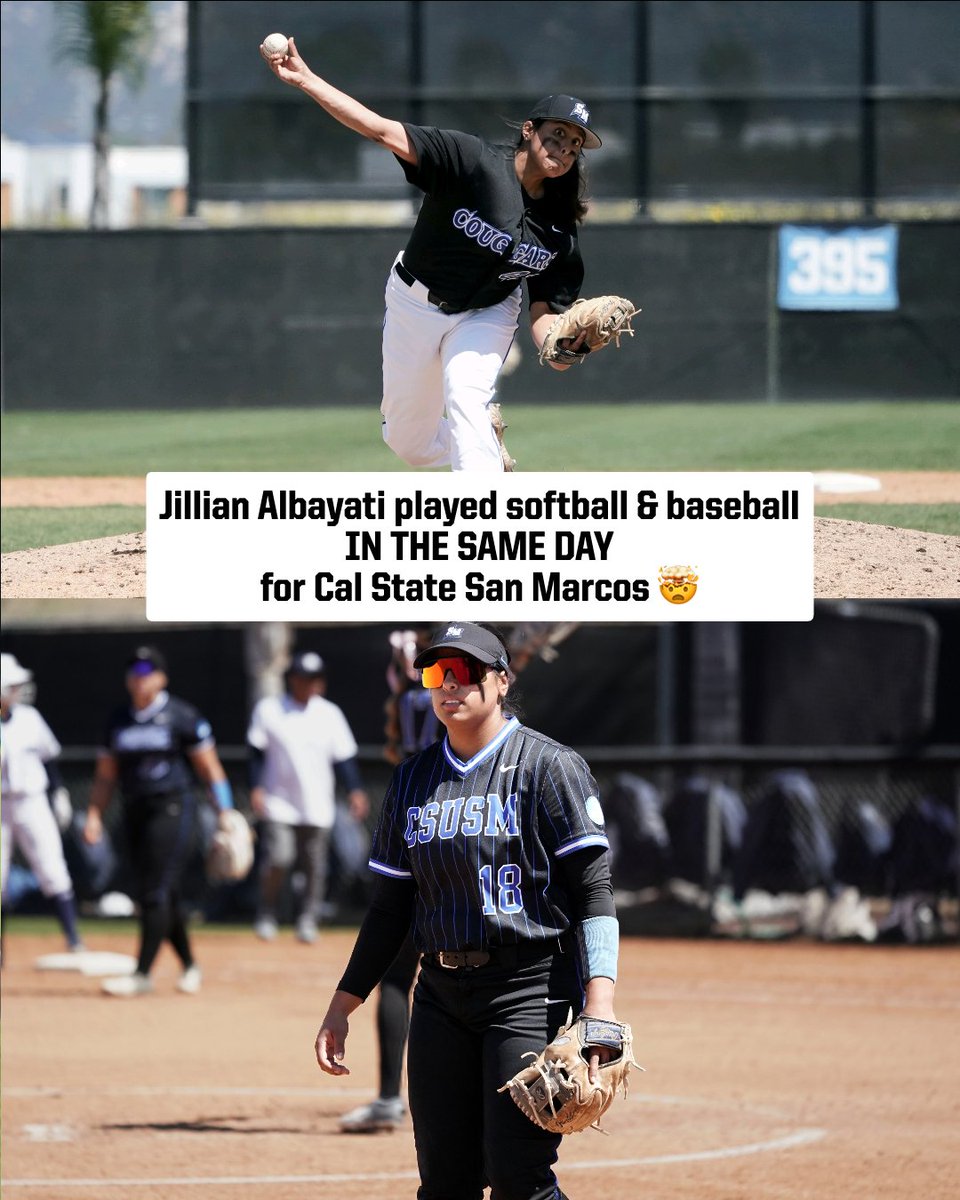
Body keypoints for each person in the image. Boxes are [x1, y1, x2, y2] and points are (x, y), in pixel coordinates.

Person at [315, 622, 624, 1199]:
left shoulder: (548, 767)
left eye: (465, 672)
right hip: (438, 997)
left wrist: (598, 1004)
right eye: (436, 673)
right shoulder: (413, 779)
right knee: (444, 1181)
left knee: (517, 1175)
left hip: (527, 988)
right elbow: (390, 909)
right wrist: (342, 1005)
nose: (448, 685)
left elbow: (592, 892)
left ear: (502, 682)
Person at [261, 36, 603, 473]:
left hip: (487, 313)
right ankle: (483, 448)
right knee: (409, 441)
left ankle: (486, 520)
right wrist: (307, 80)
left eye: (575, 144)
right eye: (558, 134)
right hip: (414, 301)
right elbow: (379, 129)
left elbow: (545, 311)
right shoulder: (470, 160)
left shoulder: (557, 225)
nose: (565, 148)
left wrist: (563, 346)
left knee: (465, 397)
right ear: (528, 130)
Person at [83, 646, 235, 997]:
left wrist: (225, 812)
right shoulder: (118, 720)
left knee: (155, 891)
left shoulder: (181, 715)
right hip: (134, 809)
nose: (140, 678)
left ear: (162, 677)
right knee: (163, 894)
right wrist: (94, 814)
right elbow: (106, 776)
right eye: (134, 671)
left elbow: (210, 769)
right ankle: (190, 965)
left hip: (173, 808)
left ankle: (142, 974)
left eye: (148, 671)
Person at [247, 651, 369, 944]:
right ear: (292, 679)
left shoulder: (329, 714)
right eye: (304, 678)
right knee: (278, 857)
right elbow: (256, 753)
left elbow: (344, 760)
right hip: (279, 801)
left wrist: (355, 790)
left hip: (317, 803)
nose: (311, 684)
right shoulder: (270, 709)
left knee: (315, 867)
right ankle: (266, 913)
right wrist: (255, 787)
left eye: (315, 678)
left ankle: (307, 920)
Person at [1, 653, 84, 957]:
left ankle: (74, 939)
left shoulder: (29, 719)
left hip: (31, 800)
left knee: (52, 868)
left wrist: (59, 793)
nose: (18, 690)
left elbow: (48, 758)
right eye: (12, 685)